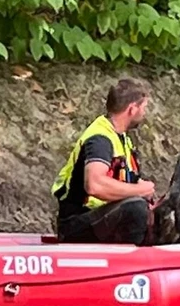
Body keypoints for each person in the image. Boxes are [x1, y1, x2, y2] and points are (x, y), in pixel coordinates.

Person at [51, 78, 156, 245]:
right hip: (77, 223)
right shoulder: (100, 139)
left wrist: (143, 188)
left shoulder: (121, 138)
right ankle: (133, 263)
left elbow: (124, 179)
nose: (145, 113)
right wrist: (138, 190)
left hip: (100, 218)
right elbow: (95, 184)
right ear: (132, 108)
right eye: (144, 108)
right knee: (135, 209)